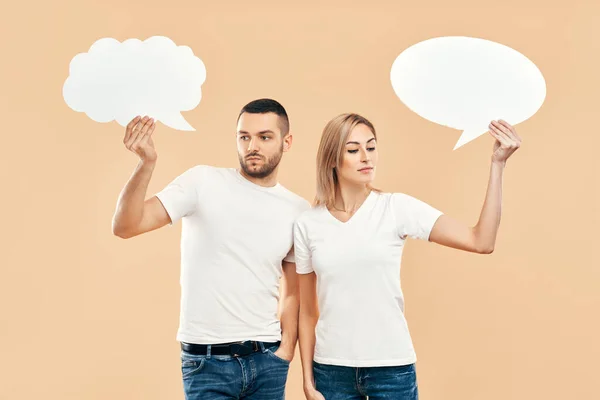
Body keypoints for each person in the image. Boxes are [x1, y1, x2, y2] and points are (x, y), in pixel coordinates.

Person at [294, 113, 521, 400]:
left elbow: (481, 241)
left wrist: (497, 164)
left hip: (391, 369)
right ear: (331, 160)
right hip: (331, 371)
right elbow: (307, 310)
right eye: (353, 150)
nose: (366, 157)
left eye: (371, 147)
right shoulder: (307, 224)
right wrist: (307, 380)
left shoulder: (396, 208)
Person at [111, 99, 310, 400]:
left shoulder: (298, 210)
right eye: (244, 137)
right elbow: (126, 225)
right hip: (206, 364)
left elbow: (293, 291)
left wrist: (284, 353)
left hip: (267, 362)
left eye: (264, 137)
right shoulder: (202, 182)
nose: (252, 146)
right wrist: (146, 164)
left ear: (287, 142)